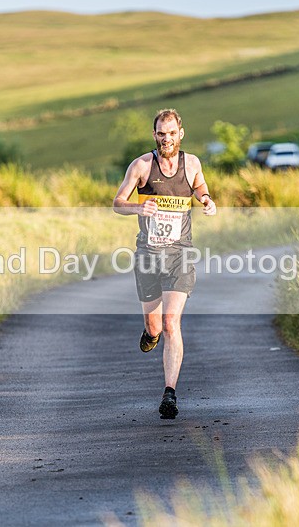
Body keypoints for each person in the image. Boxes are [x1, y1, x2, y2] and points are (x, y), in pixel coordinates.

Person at [113, 109, 216, 419]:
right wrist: (137, 207)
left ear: (180, 133)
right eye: (161, 133)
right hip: (148, 255)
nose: (166, 138)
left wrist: (206, 199)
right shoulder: (142, 166)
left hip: (180, 255)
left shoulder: (192, 163)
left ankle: (169, 393)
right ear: (154, 134)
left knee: (172, 323)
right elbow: (118, 203)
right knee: (155, 326)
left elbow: (199, 186)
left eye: (171, 133)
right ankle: (150, 333)